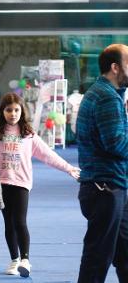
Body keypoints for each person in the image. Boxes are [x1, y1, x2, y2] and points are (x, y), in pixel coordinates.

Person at [0, 93, 80, 277]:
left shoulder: (28, 134)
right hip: (1, 184)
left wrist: (68, 168)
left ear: (22, 111)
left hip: (21, 184)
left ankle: (25, 260)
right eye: (8, 110)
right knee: (8, 223)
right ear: (2, 111)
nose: (13, 114)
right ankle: (14, 260)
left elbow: (48, 155)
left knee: (19, 221)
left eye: (16, 110)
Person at [76, 44, 128, 283]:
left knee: (124, 254)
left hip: (109, 185)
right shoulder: (107, 97)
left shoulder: (104, 93)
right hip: (105, 189)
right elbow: (116, 144)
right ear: (115, 67)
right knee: (97, 259)